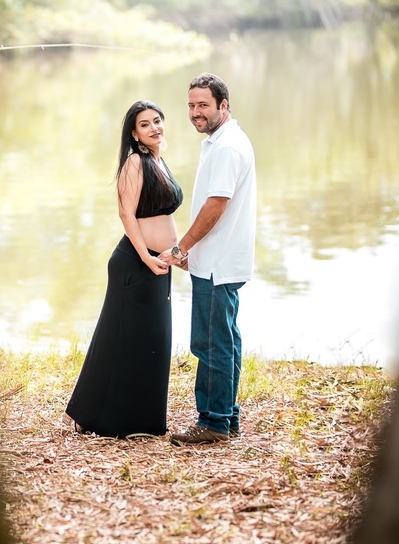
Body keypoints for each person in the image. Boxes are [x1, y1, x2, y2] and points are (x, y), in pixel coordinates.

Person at [65, 100, 184, 438]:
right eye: (145, 124)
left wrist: (178, 253)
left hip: (160, 261)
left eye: (157, 120)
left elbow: (163, 216)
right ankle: (91, 415)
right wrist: (146, 257)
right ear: (134, 133)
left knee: (151, 340)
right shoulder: (135, 162)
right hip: (136, 262)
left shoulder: (160, 162)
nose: (154, 128)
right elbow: (126, 214)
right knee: (120, 340)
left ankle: (141, 420)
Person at [160, 73, 257, 446]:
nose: (195, 112)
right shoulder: (221, 141)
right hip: (219, 258)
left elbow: (216, 206)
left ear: (223, 105)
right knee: (226, 339)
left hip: (218, 263)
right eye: (191, 105)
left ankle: (213, 422)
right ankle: (226, 416)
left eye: (203, 105)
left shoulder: (228, 146)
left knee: (212, 343)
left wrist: (181, 248)